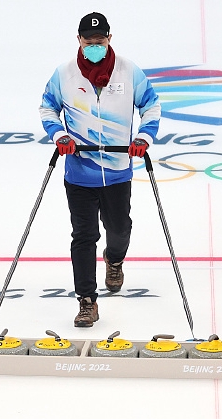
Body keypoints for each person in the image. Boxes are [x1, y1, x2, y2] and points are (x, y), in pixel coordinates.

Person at [39, 12, 161, 327]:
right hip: (79, 172)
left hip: (119, 170)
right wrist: (59, 135)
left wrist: (144, 137)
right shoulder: (64, 74)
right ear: (79, 40)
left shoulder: (129, 71)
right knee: (84, 235)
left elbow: (151, 105)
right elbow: (47, 107)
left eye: (101, 41)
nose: (95, 46)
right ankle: (87, 301)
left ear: (109, 38)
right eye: (89, 42)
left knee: (119, 229)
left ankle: (115, 259)